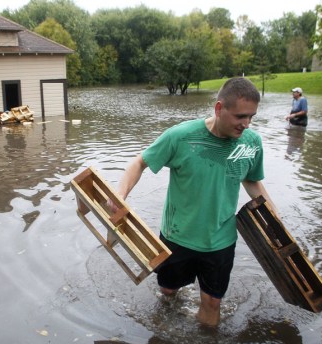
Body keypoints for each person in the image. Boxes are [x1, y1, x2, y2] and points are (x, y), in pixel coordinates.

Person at [110, 77, 277, 327]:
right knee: (168, 292)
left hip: (221, 240)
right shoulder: (181, 137)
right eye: (240, 116)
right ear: (219, 109)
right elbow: (139, 163)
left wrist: (274, 221)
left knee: (212, 303)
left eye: (251, 116)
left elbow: (252, 181)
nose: (246, 124)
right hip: (177, 236)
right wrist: (119, 196)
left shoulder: (252, 143)